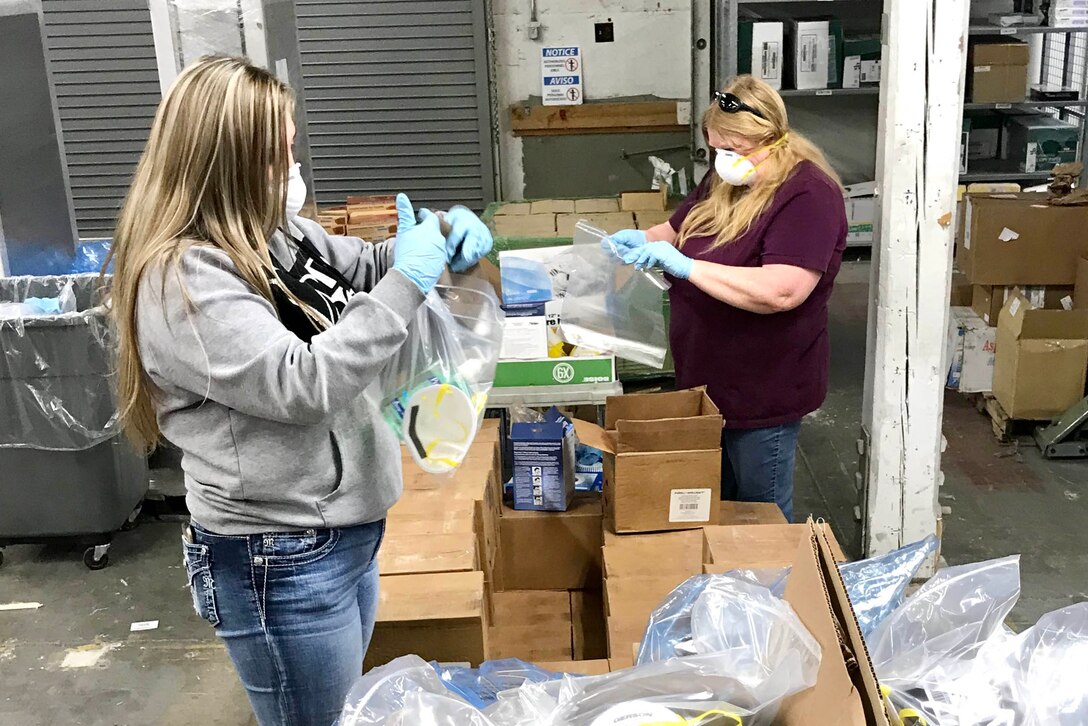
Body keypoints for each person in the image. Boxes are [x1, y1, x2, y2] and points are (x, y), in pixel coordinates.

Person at [106, 56, 493, 726]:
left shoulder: (272, 232)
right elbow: (302, 383)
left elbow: (358, 273)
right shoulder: (182, 278)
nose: (292, 171)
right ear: (223, 160)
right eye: (276, 156)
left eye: (290, 149)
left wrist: (423, 247)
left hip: (343, 530)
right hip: (277, 553)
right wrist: (409, 280)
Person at [607, 75, 847, 522]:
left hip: (762, 386)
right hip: (708, 379)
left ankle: (769, 589)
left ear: (770, 141)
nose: (722, 160)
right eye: (715, 148)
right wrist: (638, 242)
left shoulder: (808, 195)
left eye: (732, 149)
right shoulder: (727, 179)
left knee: (761, 513)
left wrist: (687, 267)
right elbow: (676, 231)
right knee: (718, 505)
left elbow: (782, 289)